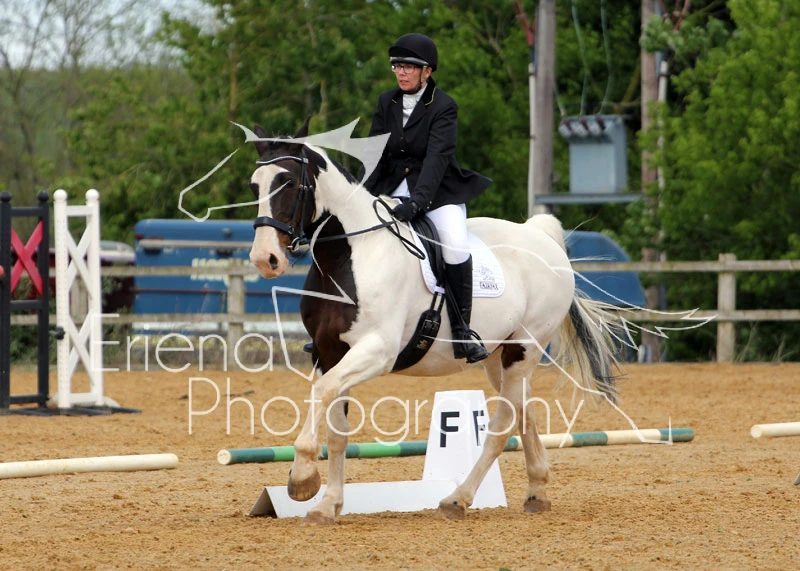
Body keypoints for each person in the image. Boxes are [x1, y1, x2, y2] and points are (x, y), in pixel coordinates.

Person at [362, 33, 491, 363]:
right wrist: (359, 194)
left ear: (427, 71)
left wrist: (418, 203)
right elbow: (376, 155)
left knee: (454, 244)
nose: (401, 72)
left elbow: (436, 159)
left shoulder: (444, 106)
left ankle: (462, 332)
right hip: (392, 189)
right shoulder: (386, 102)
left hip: (437, 194)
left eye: (408, 67)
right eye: (397, 66)